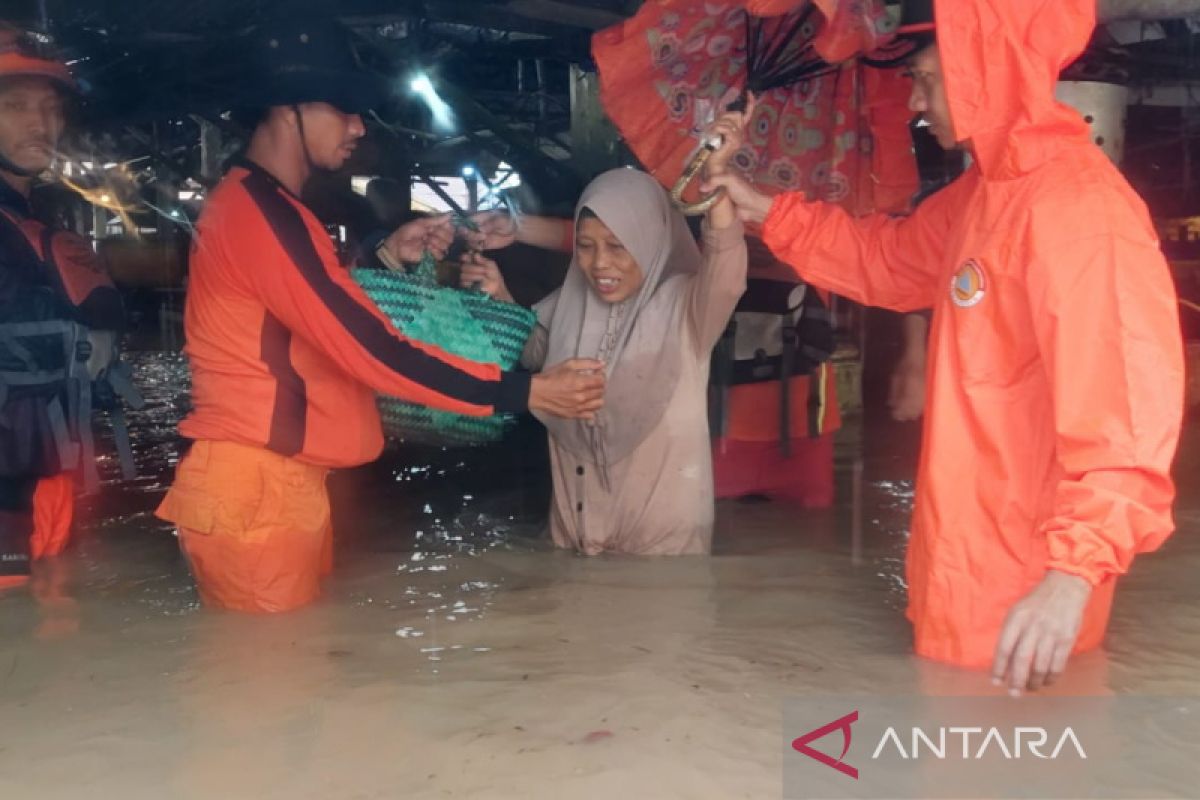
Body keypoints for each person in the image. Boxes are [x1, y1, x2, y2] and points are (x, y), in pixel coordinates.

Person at [702, 0, 1184, 692]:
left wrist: (1072, 577)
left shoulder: (1081, 214)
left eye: (928, 79)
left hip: (1027, 584)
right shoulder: (988, 193)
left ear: (987, 70)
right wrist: (765, 210)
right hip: (963, 555)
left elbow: (1127, 422)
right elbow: (892, 261)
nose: (915, 103)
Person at [155, 17, 605, 613]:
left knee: (285, 680)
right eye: (344, 108)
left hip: (274, 486)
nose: (359, 126)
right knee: (263, 684)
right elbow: (373, 349)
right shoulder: (262, 215)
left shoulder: (270, 209)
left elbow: (311, 320)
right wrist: (528, 391)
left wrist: (391, 259)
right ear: (290, 109)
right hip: (256, 491)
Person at [460, 107, 750, 555]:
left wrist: (718, 176)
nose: (600, 265)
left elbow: (727, 268)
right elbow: (536, 357)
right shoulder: (569, 300)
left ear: (649, 242)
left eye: (618, 247)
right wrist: (499, 293)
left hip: (662, 547)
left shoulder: (685, 308)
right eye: (587, 247)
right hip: (574, 535)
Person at [0, 24, 124, 589]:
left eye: (50, 109)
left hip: (49, 475)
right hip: (10, 490)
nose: (40, 124)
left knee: (50, 627)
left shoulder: (39, 220)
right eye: (15, 105)